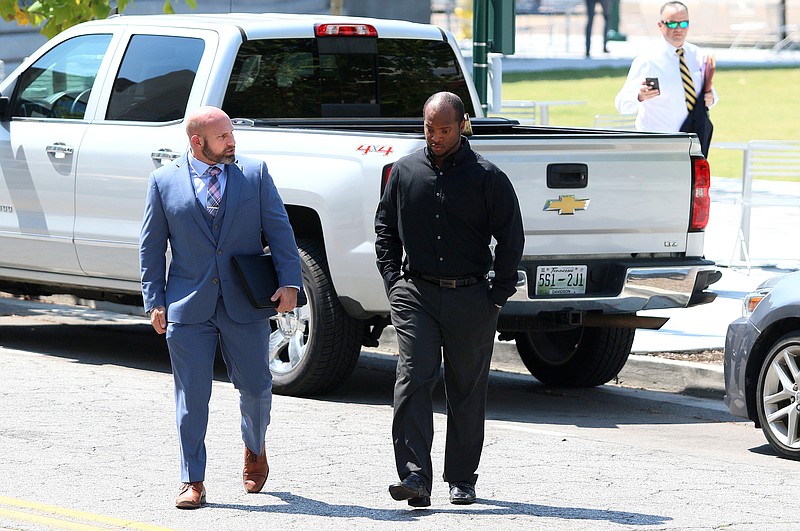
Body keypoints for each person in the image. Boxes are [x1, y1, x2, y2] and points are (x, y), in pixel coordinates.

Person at [139, 105, 302, 509]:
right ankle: (191, 479)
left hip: (244, 302)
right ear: (197, 142)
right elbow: (151, 246)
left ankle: (254, 446)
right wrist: (154, 301)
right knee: (191, 397)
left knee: (257, 388)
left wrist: (290, 282)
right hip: (187, 305)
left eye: (231, 134)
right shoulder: (163, 182)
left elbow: (279, 229)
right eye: (223, 136)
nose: (232, 142)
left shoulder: (254, 173)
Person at [374, 92, 524, 508]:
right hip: (416, 294)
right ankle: (415, 478)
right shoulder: (404, 172)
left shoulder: (487, 177)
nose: (435, 136)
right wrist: (394, 283)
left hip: (472, 297)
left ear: (463, 126)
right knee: (413, 378)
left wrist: (497, 294)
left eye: (444, 129)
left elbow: (511, 238)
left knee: (466, 389)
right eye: (429, 128)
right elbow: (385, 230)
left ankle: (462, 478)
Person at [614, 1, 717, 142]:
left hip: (694, 140)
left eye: (684, 24)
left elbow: (710, 93)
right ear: (660, 25)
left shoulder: (697, 55)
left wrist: (711, 98)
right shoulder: (648, 60)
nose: (679, 29)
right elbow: (622, 104)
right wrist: (639, 96)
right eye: (672, 24)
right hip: (657, 142)